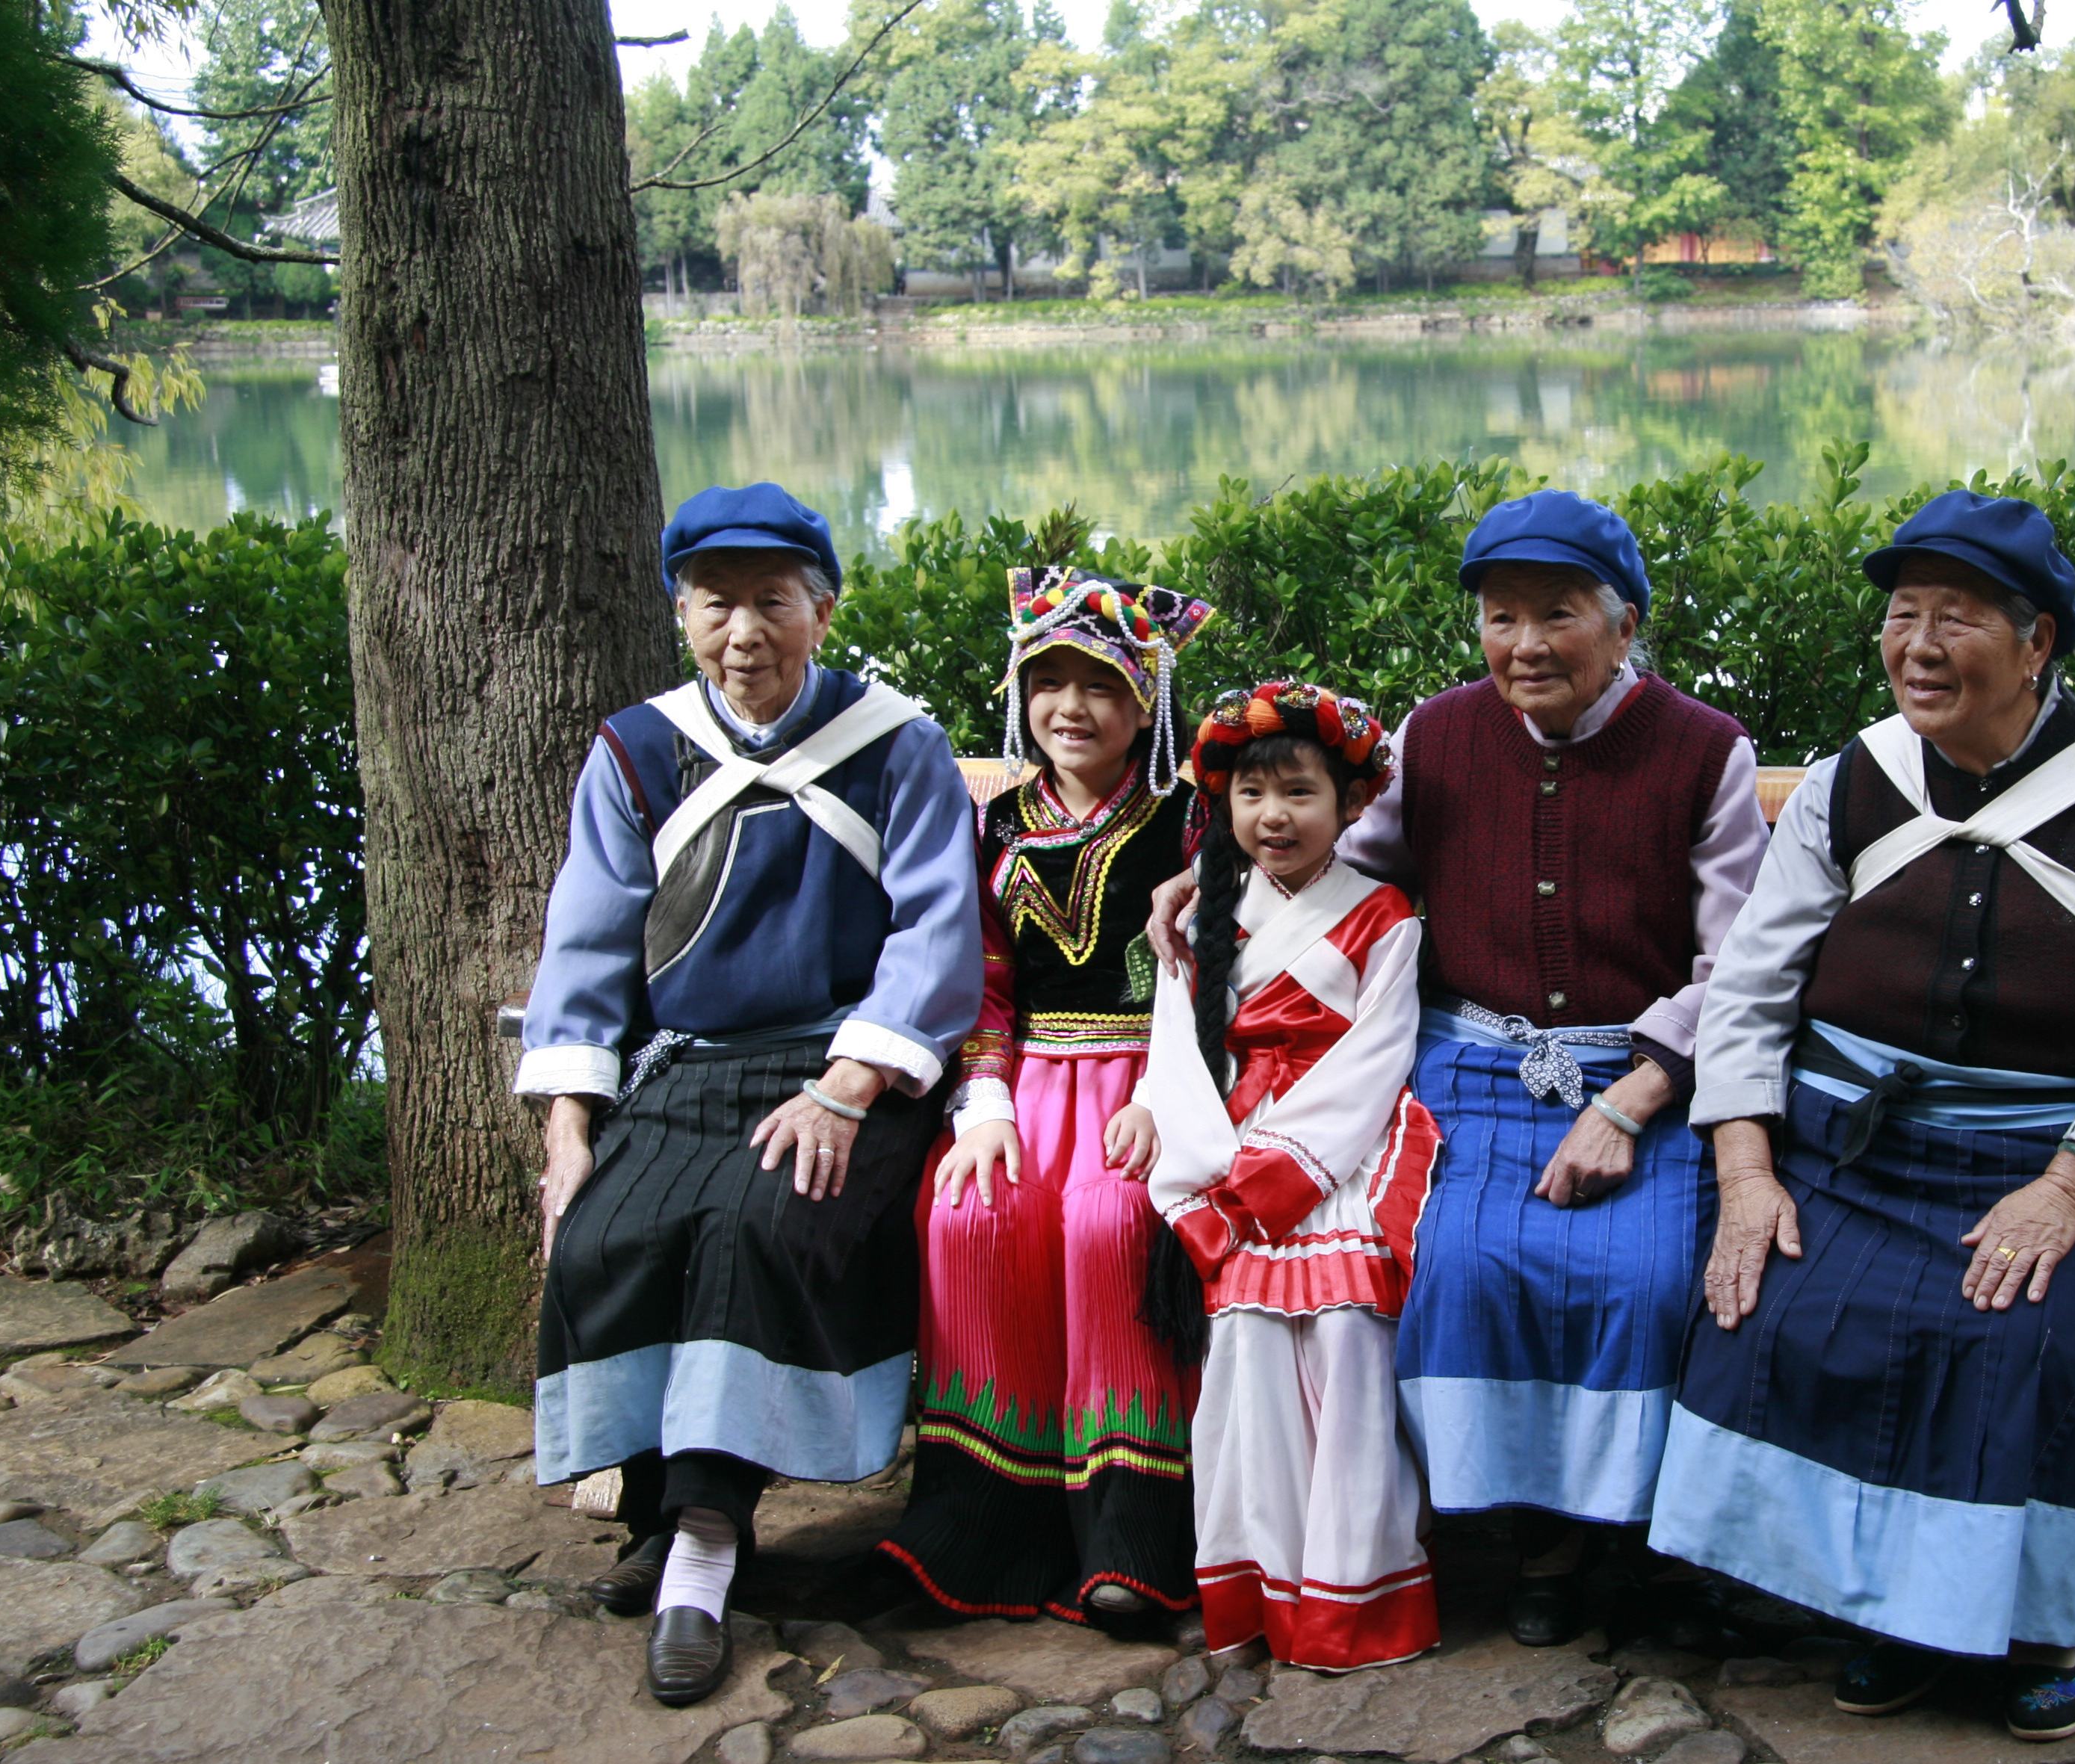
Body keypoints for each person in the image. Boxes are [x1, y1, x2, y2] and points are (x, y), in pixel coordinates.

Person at [1649, 491, 2075, 1743]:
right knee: (1792, 1304)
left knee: (2044, 1339)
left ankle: (2038, 1623)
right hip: (1856, 1147)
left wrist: (2071, 1183)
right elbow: (1747, 991)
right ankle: (1884, 1611)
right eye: (1902, 614)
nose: (1919, 644)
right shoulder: (1853, 780)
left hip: (2063, 1153)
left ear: (2038, 641)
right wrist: (1745, 1166)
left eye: (1957, 616)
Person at [1148, 491, 1769, 1647]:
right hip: (1467, 1059)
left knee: (1638, 1275)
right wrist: (1213, 879)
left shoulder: (1703, 751)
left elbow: (1735, 964)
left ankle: (1622, 1532)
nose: (1523, 643)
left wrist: (1635, 1098)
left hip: (1640, 1072)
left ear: (1624, 623)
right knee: (1459, 1262)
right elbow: (1342, 861)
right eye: (1499, 616)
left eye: (1557, 613)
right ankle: (1531, 1536)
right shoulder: (1437, 735)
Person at [519, 483, 981, 1706]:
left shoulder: (897, 746)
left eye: (773, 601)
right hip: (689, 1061)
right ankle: (655, 1511)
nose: (745, 632)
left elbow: (939, 931)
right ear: (681, 612)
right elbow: (586, 943)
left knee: (757, 1224)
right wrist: (570, 1127)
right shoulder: (636, 749)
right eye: (716, 602)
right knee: (612, 1228)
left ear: (820, 610)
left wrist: (846, 1088)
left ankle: (708, 1547)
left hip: (850, 1064)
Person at [874, 568, 1210, 1629]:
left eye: (1100, 685)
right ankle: (978, 1524)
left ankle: (1132, 1539)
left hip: (1149, 1083)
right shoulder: (998, 820)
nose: (1071, 708)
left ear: (1147, 699)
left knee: (1109, 1223)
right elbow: (979, 972)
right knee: (970, 1215)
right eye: (1047, 681)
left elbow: (1220, 974)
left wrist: (1167, 1092)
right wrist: (982, 1102)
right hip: (1022, 1084)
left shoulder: (1193, 818)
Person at [1131, 682, 1441, 1672]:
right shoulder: (1199, 919)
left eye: (1300, 792)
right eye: (1252, 793)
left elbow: (1375, 1056)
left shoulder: (1385, 916)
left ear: (1352, 804)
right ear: (1223, 806)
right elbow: (1177, 1050)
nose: (1275, 816)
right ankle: (1260, 1588)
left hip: (1334, 1151)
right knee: (1248, 1350)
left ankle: (1352, 1592)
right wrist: (1212, 1164)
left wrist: (1277, 1173)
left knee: (1348, 1331)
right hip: (1226, 1146)